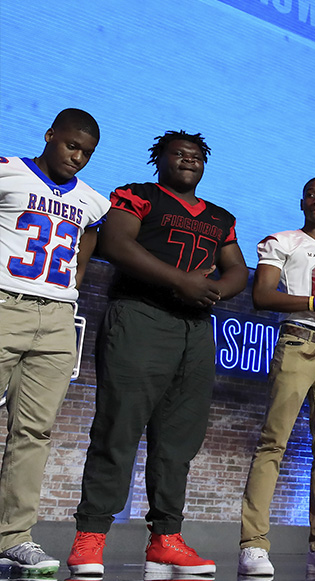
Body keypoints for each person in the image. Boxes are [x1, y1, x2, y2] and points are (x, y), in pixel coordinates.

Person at [68, 130, 249, 577]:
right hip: (140, 316)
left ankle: (166, 538)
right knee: (118, 428)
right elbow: (115, 244)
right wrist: (180, 281)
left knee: (179, 439)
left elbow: (237, 269)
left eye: (196, 156)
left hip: (195, 328)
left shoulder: (220, 217)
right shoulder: (139, 195)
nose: (188, 160)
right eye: (179, 154)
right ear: (160, 159)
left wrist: (212, 291)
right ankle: (91, 535)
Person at [237, 177, 315, 576]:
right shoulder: (282, 241)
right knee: (273, 442)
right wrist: (314, 302)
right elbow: (262, 295)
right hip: (298, 339)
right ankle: (253, 544)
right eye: (310, 194)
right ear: (301, 202)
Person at [0, 109, 110, 576]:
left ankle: (13, 537)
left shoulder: (92, 201)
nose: (77, 157)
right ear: (49, 136)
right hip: (5, 304)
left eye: (86, 152)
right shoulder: (8, 171)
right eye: (71, 146)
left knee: (34, 431)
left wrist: (68, 291)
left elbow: (85, 249)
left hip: (58, 318)